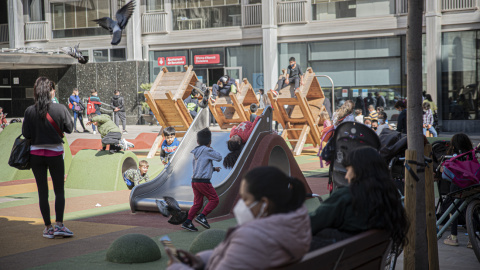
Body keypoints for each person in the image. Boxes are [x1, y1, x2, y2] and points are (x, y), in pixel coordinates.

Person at [166, 166, 311, 270]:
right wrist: (202, 259)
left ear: (265, 204)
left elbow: (245, 252)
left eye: (246, 199)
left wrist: (177, 267)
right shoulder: (296, 226)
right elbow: (244, 258)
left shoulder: (252, 238)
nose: (241, 205)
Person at [310, 147, 408, 250]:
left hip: (339, 260)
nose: (346, 176)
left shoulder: (347, 196)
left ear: (359, 170)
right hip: (363, 258)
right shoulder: (389, 198)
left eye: (348, 170)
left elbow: (313, 223)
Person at [22, 77, 74, 239]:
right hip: (55, 155)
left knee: (42, 192)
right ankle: (59, 225)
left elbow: (26, 134)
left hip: (36, 155)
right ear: (51, 91)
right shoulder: (60, 108)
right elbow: (70, 128)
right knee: (59, 191)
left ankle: (48, 228)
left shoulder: (30, 111)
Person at [182, 128, 222, 232]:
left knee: (197, 204)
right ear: (210, 142)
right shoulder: (207, 150)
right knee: (214, 199)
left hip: (195, 181)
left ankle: (187, 222)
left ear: (197, 142)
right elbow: (219, 157)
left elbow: (201, 167)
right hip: (203, 182)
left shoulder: (196, 151)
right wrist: (211, 148)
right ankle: (202, 216)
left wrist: (213, 169)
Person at [441, 133, 473, 248]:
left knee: (453, 209)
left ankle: (453, 237)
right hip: (470, 185)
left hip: (456, 185)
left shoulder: (453, 156)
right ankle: (471, 239)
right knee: (468, 209)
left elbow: (446, 171)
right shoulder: (471, 155)